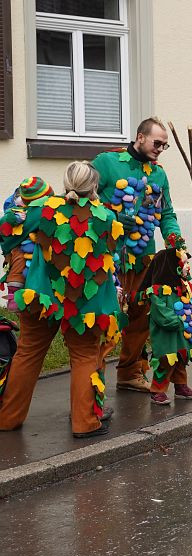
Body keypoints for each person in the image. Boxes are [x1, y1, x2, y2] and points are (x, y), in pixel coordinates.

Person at [0, 162, 123, 437]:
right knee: (84, 357)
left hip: (41, 298)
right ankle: (85, 423)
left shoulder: (44, 210)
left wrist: (16, 248)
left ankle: (8, 418)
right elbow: (112, 256)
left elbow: (7, 232)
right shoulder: (106, 217)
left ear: (66, 183)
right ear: (94, 186)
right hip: (84, 306)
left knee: (29, 353)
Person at [93, 117, 192, 398]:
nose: (161, 148)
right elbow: (80, 196)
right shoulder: (106, 163)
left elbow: (168, 214)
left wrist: (175, 242)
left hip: (143, 259)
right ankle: (91, 386)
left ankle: (129, 373)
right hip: (108, 257)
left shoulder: (159, 175)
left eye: (165, 145)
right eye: (157, 142)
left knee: (139, 318)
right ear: (140, 137)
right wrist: (111, 216)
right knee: (107, 319)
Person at [139, 240, 192, 405]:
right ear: (171, 267)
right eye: (185, 262)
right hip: (168, 335)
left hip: (183, 335)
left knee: (181, 360)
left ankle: (181, 387)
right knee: (166, 362)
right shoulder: (159, 292)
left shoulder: (185, 288)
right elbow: (159, 311)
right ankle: (157, 390)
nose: (187, 266)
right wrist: (174, 320)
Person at [2, 177, 54, 310]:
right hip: (20, 249)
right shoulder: (20, 209)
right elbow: (4, 224)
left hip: (35, 246)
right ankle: (14, 294)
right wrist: (14, 218)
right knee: (18, 259)